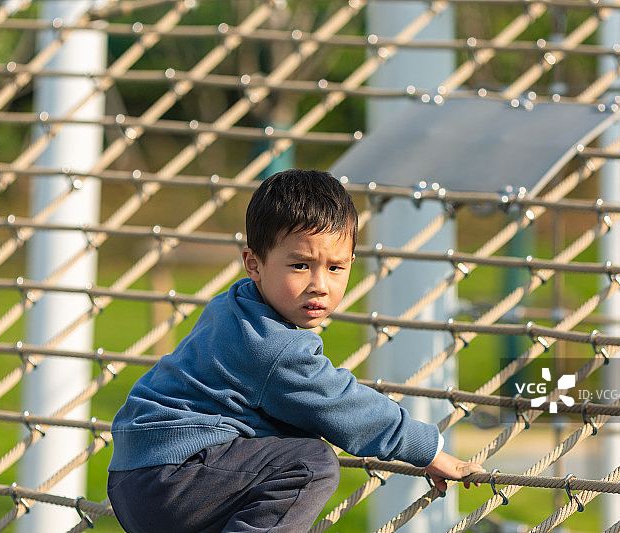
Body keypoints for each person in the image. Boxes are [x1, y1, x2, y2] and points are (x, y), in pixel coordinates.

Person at [107, 169, 484, 532]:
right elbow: (341, 405)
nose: (319, 285)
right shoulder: (275, 346)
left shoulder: (236, 303)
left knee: (291, 445)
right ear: (254, 263)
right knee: (312, 463)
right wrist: (430, 451)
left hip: (137, 473)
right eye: (300, 265)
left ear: (352, 262)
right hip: (173, 480)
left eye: (335, 268)